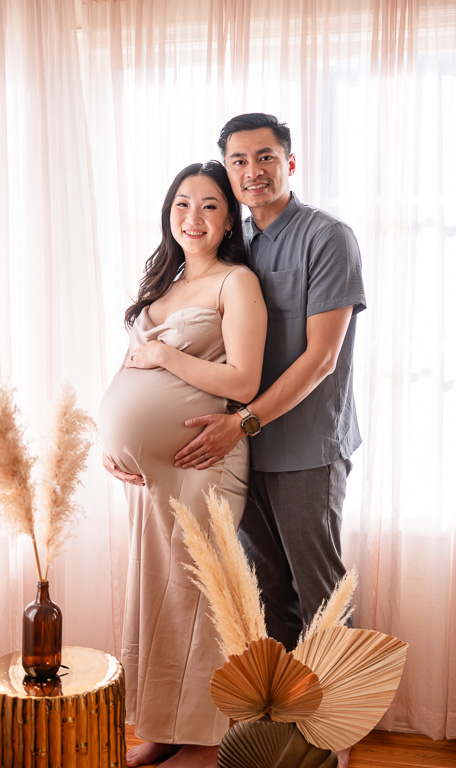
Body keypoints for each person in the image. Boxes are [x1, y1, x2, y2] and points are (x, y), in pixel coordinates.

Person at [173, 115, 366, 768]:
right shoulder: (233, 245)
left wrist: (243, 422)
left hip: (306, 448)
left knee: (322, 595)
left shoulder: (327, 238)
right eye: (238, 161)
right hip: (241, 453)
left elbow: (320, 359)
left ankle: (336, 739)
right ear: (225, 169)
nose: (252, 171)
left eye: (265, 157)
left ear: (291, 162)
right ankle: (288, 731)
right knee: (268, 596)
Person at [99, 160, 267, 768]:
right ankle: (165, 728)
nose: (192, 218)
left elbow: (244, 380)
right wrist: (109, 444)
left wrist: (166, 356)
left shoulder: (235, 283)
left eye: (209, 206)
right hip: (147, 477)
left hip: (204, 463)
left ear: (228, 222)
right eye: (181, 205)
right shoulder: (162, 285)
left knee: (197, 597)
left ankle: (206, 739)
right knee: (155, 595)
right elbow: (131, 368)